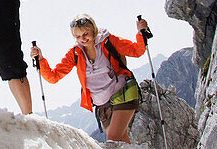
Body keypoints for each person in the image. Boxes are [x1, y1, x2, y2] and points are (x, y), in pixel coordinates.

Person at [30, 14, 149, 142]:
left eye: (86, 33)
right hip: (102, 105)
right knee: (121, 143)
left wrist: (141, 33)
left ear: (93, 30)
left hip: (123, 94)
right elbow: (53, 77)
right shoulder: (75, 53)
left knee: (113, 141)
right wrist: (41, 60)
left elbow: (136, 51)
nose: (83, 38)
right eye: (78, 36)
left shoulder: (108, 41)